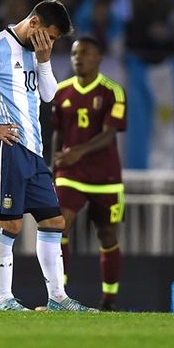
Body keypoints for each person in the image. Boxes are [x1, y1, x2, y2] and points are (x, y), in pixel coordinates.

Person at [0, 0, 94, 312]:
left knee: (54, 221)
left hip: (33, 151)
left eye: (55, 40)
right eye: (50, 36)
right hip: (7, 149)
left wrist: (44, 61)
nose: (50, 42)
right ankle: (3, 300)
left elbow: (49, 96)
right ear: (34, 23)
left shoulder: (36, 53)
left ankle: (58, 299)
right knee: (10, 224)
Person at [51, 36, 127, 311]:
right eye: (74, 53)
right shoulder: (61, 91)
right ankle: (58, 296)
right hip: (69, 173)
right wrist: (53, 167)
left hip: (105, 177)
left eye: (84, 53)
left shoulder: (112, 91)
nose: (78, 58)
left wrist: (77, 151)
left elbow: (109, 135)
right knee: (58, 226)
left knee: (107, 237)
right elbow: (58, 132)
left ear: (98, 58)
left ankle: (108, 300)